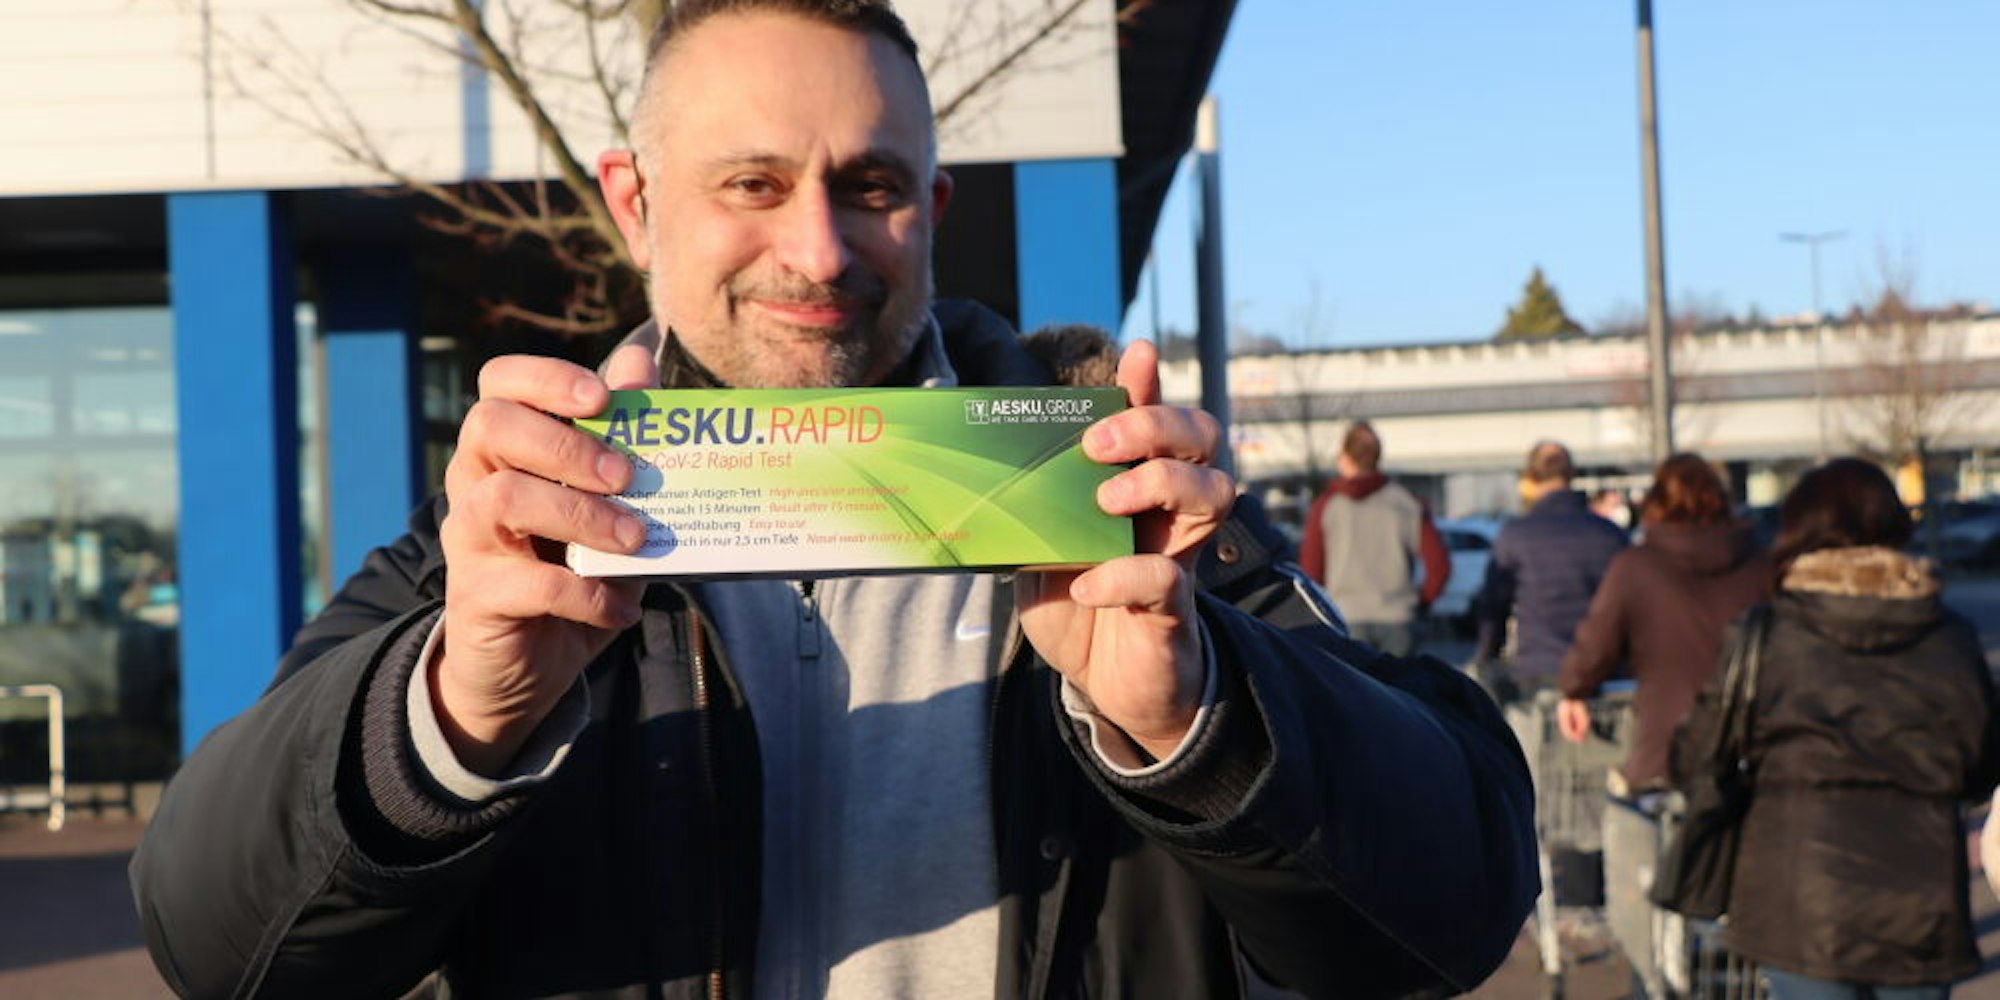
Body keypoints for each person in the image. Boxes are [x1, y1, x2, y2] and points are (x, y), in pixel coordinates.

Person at [128, 3, 1538, 998]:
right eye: (752, 182)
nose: (817, 248)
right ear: (634, 200)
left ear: (932, 204)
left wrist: (1196, 722)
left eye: (869, 187)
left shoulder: (1107, 500)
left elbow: (1454, 907)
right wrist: (451, 719)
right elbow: (213, 942)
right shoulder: (522, 526)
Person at [1674, 458, 1998, 999]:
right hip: (1920, 898)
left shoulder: (1768, 634)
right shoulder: (1950, 637)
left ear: (1800, 532)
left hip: (1798, 893)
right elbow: (1982, 765)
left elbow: (1698, 757)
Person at [1553, 453, 1771, 996]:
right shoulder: (1760, 564)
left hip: (1664, 749)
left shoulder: (1637, 567)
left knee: (1645, 855)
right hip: (1750, 749)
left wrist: (1574, 691)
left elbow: (1595, 645)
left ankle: (1655, 973)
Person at [1470, 439, 1629, 697]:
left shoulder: (1515, 535)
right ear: (1571, 474)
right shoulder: (1610, 534)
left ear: (1531, 478)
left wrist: (1486, 655)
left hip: (1540, 671)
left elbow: (1495, 606)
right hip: (1604, 671)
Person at [1297, 420, 1451, 657]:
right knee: (1398, 682)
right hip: (1398, 618)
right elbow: (1439, 566)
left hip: (1345, 616)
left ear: (1345, 457)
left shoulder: (1326, 506)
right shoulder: (1405, 503)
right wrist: (1420, 604)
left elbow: (1310, 573)